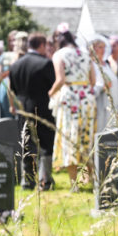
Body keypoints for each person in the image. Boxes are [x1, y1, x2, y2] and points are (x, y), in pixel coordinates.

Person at [49, 29, 96, 189]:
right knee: (87, 135)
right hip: (87, 97)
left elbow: (60, 79)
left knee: (69, 136)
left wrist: (51, 92)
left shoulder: (59, 54)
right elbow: (93, 80)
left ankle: (73, 183)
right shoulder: (86, 53)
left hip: (70, 98)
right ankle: (92, 178)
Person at [10, 33, 57, 189]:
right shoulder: (45, 64)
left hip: (22, 107)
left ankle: (27, 179)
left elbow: (13, 89)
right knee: (45, 143)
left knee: (26, 143)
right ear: (42, 45)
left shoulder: (15, 64)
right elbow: (53, 86)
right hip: (42, 107)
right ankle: (45, 180)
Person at [89, 35, 118, 136]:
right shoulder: (91, 65)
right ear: (92, 48)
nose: (102, 50)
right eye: (100, 47)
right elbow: (90, 87)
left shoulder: (107, 65)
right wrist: (102, 87)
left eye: (104, 47)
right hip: (100, 105)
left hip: (112, 105)